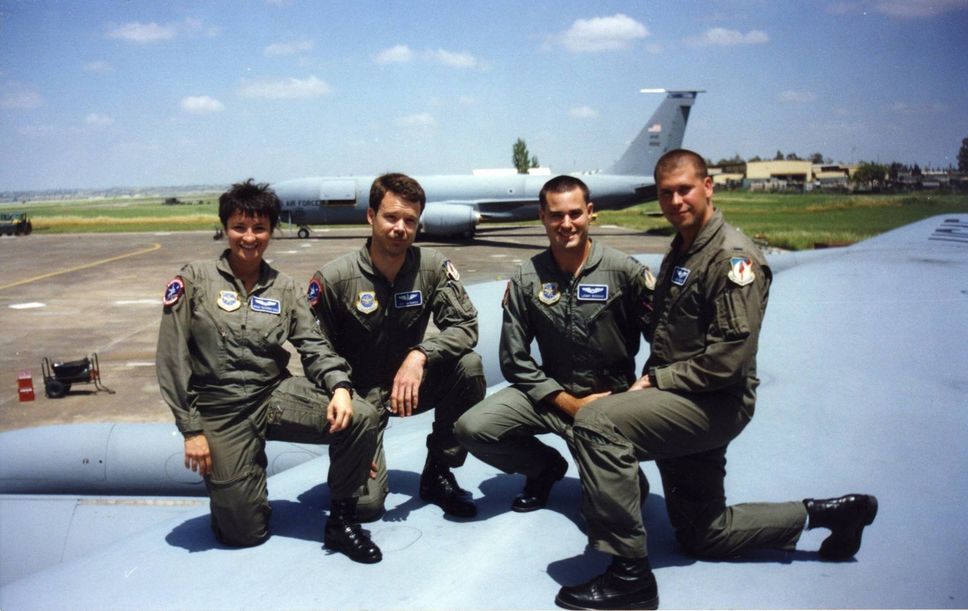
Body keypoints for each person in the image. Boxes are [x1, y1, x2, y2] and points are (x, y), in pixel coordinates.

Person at [555, 149, 879, 610]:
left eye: (684, 189)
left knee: (596, 423)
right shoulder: (685, 247)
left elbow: (729, 359)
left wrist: (654, 381)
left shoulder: (731, 257)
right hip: (687, 396)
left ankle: (630, 575)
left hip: (713, 400)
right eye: (666, 192)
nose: (675, 200)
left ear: (708, 186)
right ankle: (833, 514)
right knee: (704, 535)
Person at [156, 179, 382, 564]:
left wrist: (340, 386)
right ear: (225, 228)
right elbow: (171, 358)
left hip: (272, 395)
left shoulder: (286, 289)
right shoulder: (194, 279)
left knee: (360, 415)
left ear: (271, 231)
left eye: (259, 228)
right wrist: (192, 429)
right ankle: (238, 488)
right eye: (239, 227)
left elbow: (314, 345)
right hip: (221, 409)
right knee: (244, 534)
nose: (249, 237)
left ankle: (341, 522)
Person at [454, 175, 655, 513]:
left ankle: (604, 465)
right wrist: (567, 403)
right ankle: (544, 467)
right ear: (542, 217)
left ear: (591, 213)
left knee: (626, 500)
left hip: (608, 401)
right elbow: (514, 359)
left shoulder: (625, 272)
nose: (566, 224)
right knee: (472, 428)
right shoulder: (527, 278)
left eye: (575, 214)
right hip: (550, 395)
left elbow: (664, 341)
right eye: (556, 215)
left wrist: (641, 389)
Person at [308, 173, 486, 521]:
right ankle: (354, 454)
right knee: (366, 508)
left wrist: (420, 355)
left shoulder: (431, 268)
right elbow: (315, 348)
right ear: (371, 216)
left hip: (410, 386)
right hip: (357, 398)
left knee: (469, 367)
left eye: (410, 220)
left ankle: (438, 472)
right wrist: (343, 395)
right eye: (391, 217)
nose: (400, 228)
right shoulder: (335, 278)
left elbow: (466, 325)